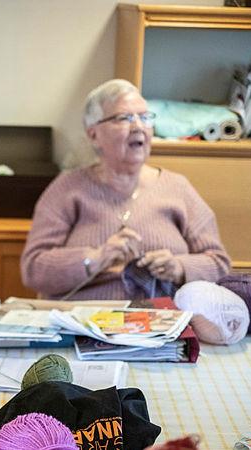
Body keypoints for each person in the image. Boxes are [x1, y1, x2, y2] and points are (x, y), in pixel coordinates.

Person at [21, 79, 230, 300]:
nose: (139, 126)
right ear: (94, 134)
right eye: (124, 118)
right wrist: (94, 259)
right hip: (84, 323)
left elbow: (219, 263)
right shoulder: (67, 189)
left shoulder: (177, 188)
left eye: (145, 117)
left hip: (161, 326)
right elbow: (34, 269)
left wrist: (178, 267)